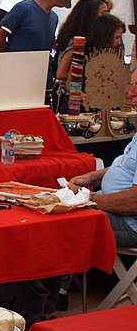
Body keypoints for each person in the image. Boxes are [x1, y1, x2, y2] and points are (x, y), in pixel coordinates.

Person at [69, 68, 137, 249]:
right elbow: (128, 165)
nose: (131, 92)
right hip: (112, 209)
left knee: (63, 222)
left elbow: (134, 202)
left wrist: (87, 197)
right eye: (131, 84)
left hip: (129, 223)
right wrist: (91, 177)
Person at [54, 0, 108, 81]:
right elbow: (61, 73)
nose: (107, 17)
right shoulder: (78, 40)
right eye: (103, 13)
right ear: (91, 15)